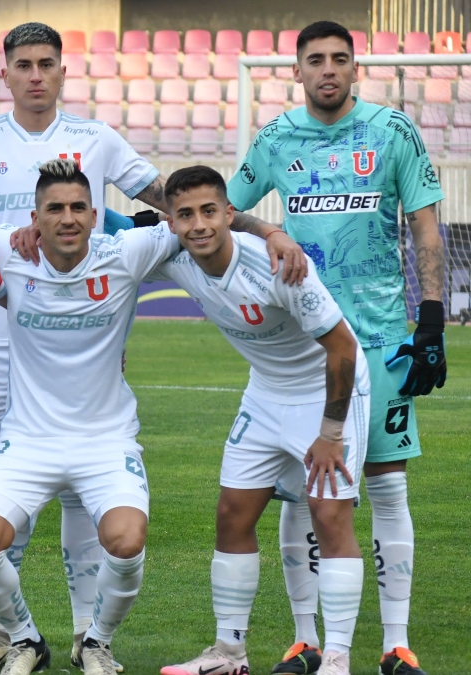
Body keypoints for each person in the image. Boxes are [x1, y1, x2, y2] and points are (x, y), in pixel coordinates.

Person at [0, 21, 306, 672]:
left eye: (47, 62)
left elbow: (177, 201)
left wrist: (261, 226)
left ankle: (86, 630)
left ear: (63, 70)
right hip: (5, 328)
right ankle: (5, 628)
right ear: (6, 72)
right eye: (24, 64)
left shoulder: (96, 140)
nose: (36, 75)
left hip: (89, 327)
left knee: (86, 498)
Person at [227, 21, 447, 675]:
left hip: (380, 341)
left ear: (357, 69)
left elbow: (426, 229)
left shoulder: (393, 132)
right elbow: (223, 206)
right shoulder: (275, 140)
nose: (328, 69)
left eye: (340, 59)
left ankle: (396, 642)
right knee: (304, 495)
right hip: (307, 350)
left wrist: (430, 323)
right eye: (315, 59)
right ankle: (305, 639)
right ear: (296, 71)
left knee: (386, 489)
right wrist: (268, 229)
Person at [0, 159, 182, 675]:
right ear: (34, 218)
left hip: (106, 440)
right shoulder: (9, 253)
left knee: (126, 542)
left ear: (95, 214)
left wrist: (268, 234)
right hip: (28, 441)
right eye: (54, 208)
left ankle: (96, 642)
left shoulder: (126, 253)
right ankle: (25, 638)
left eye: (78, 207)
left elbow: (200, 214)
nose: (67, 217)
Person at [154, 166, 369, 675]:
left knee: (329, 516)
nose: (199, 225)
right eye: (185, 214)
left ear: (231, 214)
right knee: (232, 513)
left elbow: (342, 347)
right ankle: (229, 654)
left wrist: (330, 434)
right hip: (264, 396)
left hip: (326, 395)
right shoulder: (172, 254)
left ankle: (336, 658)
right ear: (171, 221)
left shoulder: (278, 265)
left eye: (210, 211)